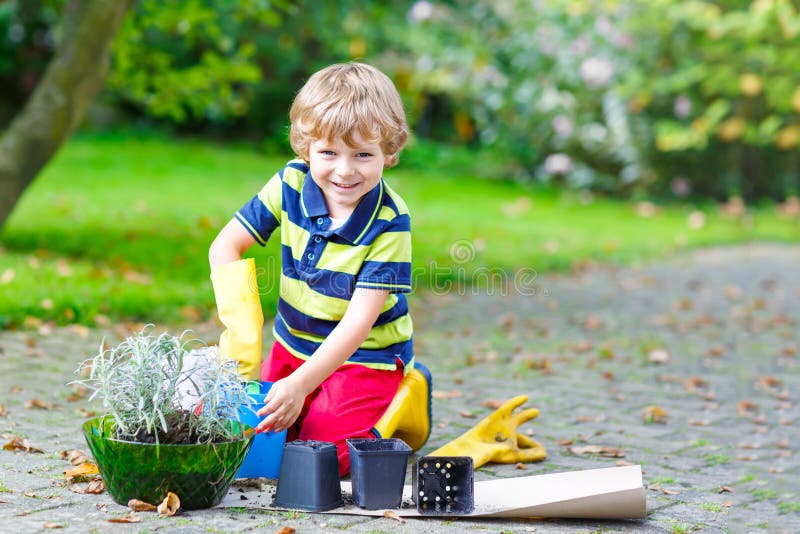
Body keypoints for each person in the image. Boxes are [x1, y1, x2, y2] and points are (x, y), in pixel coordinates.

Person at [208, 62, 431, 475]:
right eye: (328, 153)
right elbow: (225, 247)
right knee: (259, 434)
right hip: (294, 343)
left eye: (363, 155)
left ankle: (409, 396)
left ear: (391, 151)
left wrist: (300, 385)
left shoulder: (390, 221)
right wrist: (242, 336)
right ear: (305, 148)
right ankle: (308, 395)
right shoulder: (290, 182)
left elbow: (359, 322)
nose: (344, 170)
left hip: (364, 357)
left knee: (324, 456)